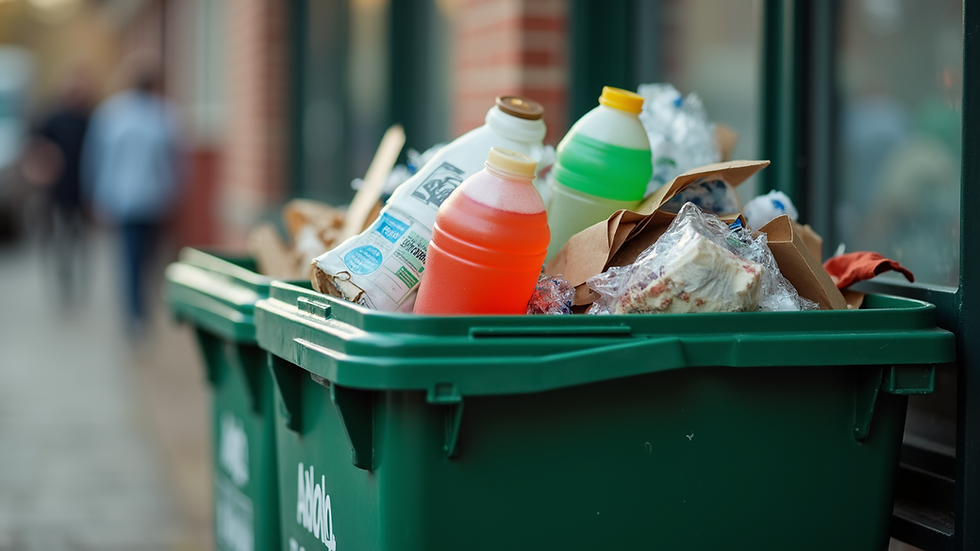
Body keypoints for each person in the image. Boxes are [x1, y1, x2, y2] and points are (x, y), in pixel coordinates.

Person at [82, 54, 183, 334]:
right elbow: (175, 162)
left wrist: (95, 194)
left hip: (123, 200)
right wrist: (175, 194)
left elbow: (97, 159)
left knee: (130, 260)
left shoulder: (111, 114)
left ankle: (135, 315)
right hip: (154, 199)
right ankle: (142, 312)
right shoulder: (164, 114)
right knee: (149, 259)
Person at [29, 65, 94, 304]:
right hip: (57, 192)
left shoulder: (89, 119)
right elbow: (34, 149)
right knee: (61, 241)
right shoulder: (52, 119)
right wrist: (41, 174)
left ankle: (78, 285)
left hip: (83, 191)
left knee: (81, 242)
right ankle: (64, 285)